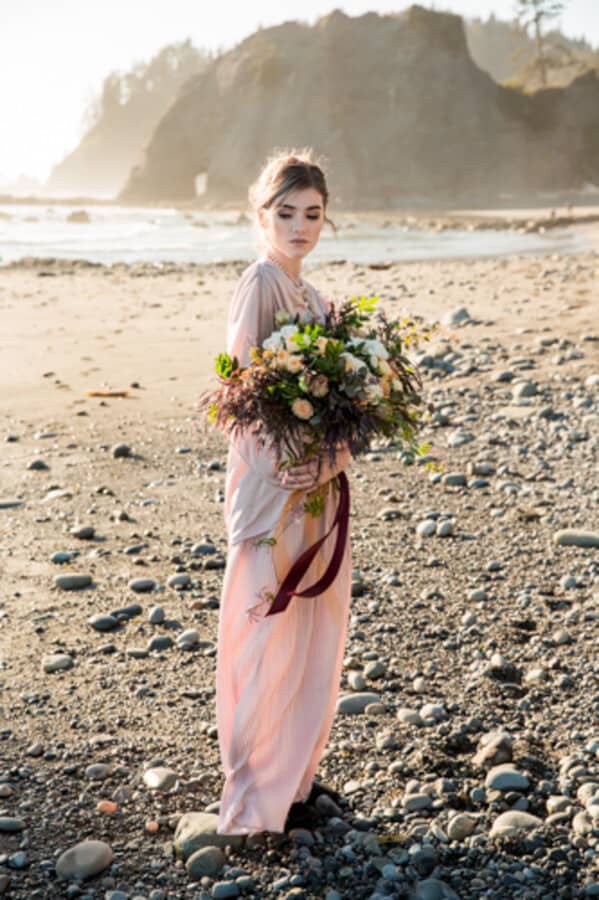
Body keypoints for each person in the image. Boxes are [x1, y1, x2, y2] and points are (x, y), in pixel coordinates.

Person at [215, 150, 352, 837]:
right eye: (285, 212)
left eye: (312, 214)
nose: (299, 226)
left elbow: (346, 408)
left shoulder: (319, 300)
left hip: (316, 484)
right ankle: (254, 798)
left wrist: (333, 457)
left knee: (314, 631)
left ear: (325, 219)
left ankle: (295, 781)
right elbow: (240, 396)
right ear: (260, 214)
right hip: (274, 489)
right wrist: (291, 467)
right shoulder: (260, 284)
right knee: (266, 632)